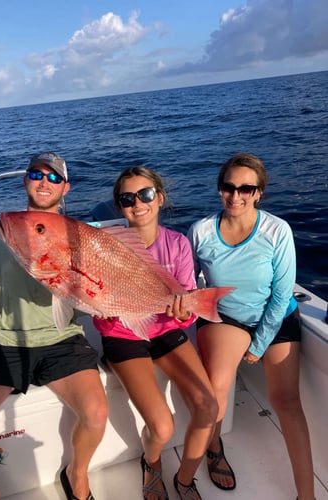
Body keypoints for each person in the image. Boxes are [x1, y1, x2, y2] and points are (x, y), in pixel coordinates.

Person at [0, 152, 108, 500]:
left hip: (62, 337)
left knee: (97, 413)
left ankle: (77, 474)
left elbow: (97, 288)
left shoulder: (80, 237)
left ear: (65, 188)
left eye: (53, 178)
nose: (43, 182)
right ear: (25, 180)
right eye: (36, 174)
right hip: (3, 340)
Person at [187, 153, 315, 500]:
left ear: (259, 193)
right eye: (229, 187)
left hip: (276, 317)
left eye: (247, 188)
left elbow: (280, 295)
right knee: (216, 391)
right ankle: (213, 448)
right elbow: (186, 282)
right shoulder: (200, 231)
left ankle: (307, 494)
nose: (236, 195)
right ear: (219, 189)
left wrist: (258, 346)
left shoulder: (277, 230)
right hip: (226, 317)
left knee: (287, 401)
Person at [94, 166, 218, 500]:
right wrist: (98, 306)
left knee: (209, 408)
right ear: (119, 207)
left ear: (160, 199)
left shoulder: (177, 243)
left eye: (146, 194)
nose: (138, 203)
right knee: (162, 427)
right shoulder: (107, 246)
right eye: (127, 198)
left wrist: (183, 312)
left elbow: (187, 305)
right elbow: (94, 297)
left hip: (165, 330)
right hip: (123, 334)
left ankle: (185, 478)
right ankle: (151, 463)